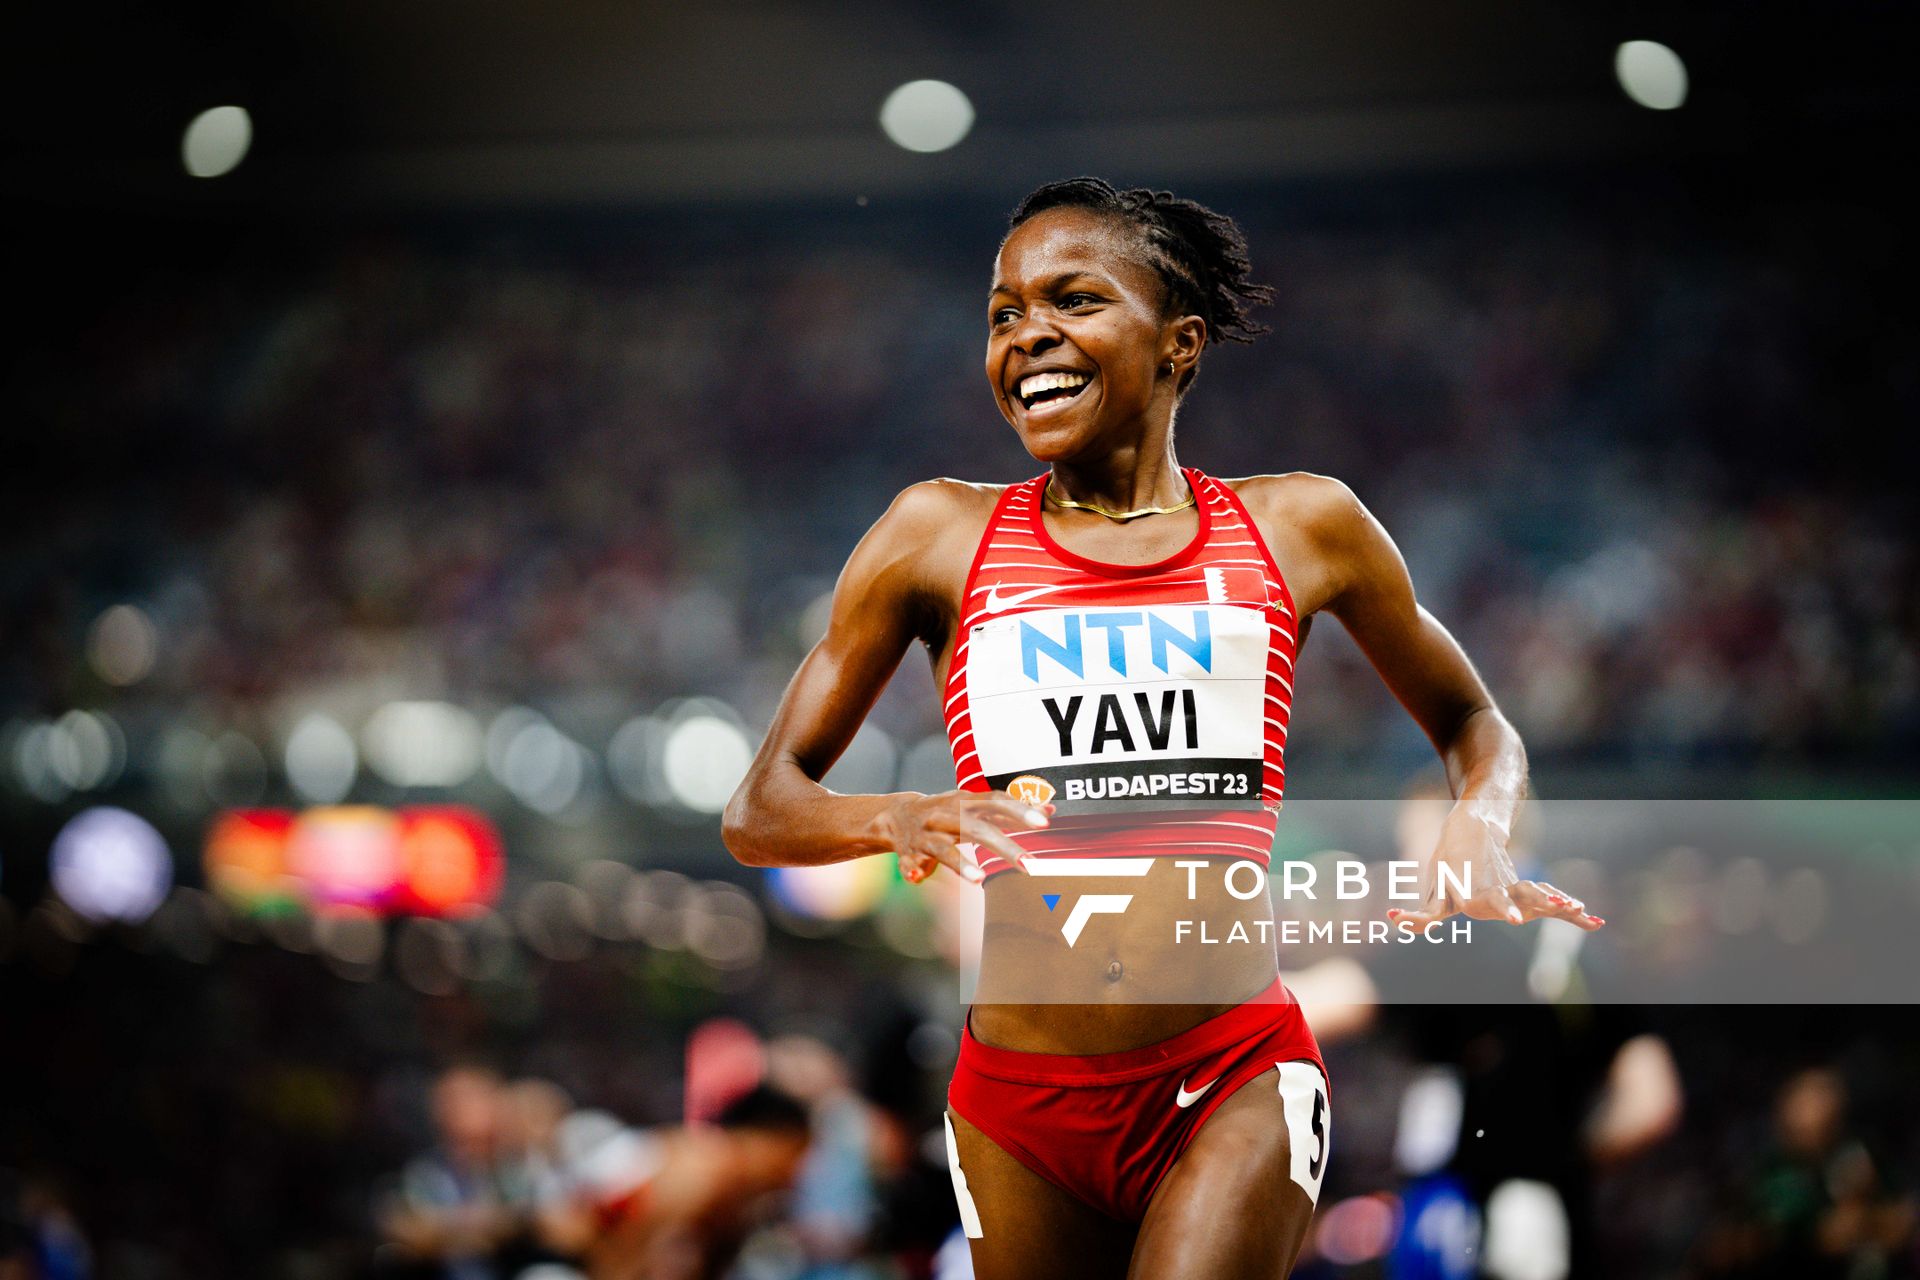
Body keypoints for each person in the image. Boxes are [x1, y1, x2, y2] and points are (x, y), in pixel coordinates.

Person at [724, 177, 1603, 1279]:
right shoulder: (933, 536)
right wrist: (902, 811)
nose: (1029, 331)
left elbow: (1476, 718)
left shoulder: (1302, 525)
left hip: (1231, 1072)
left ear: (1180, 343)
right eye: (1004, 313)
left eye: (1074, 298)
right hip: (1018, 1105)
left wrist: (1481, 819)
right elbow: (760, 810)